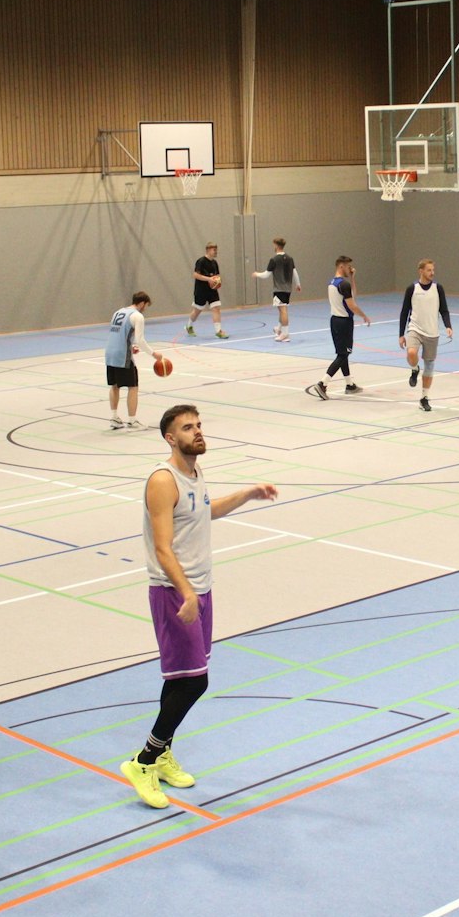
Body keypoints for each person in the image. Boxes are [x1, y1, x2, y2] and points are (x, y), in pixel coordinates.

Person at [119, 405, 278, 807]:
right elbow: (162, 546)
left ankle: (162, 752)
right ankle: (144, 760)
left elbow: (205, 512)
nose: (197, 432)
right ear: (170, 438)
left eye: (199, 425)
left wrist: (246, 493)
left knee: (179, 680)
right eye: (188, 428)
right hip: (175, 592)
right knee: (195, 681)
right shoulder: (163, 480)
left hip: (199, 590)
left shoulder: (193, 474)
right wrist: (186, 592)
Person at [307, 255, 371, 401]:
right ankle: (323, 383)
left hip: (334, 321)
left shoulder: (333, 283)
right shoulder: (344, 284)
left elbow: (352, 295)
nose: (351, 269)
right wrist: (364, 316)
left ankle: (349, 385)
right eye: (349, 267)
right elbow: (352, 304)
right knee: (343, 354)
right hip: (344, 322)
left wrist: (353, 278)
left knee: (344, 353)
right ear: (341, 266)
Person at [397, 258, 454, 413]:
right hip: (415, 328)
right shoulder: (412, 288)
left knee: (429, 366)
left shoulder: (438, 288)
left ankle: (424, 397)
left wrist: (448, 325)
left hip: (432, 332)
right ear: (421, 271)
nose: (432, 273)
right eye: (429, 270)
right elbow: (404, 312)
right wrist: (401, 334)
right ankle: (414, 369)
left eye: (433, 270)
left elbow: (444, 309)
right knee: (411, 352)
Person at [105, 291, 161, 430]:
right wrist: (154, 354)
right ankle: (132, 420)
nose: (145, 309)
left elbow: (119, 334)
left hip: (110, 353)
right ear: (142, 303)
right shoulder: (138, 316)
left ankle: (114, 418)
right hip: (122, 355)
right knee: (133, 387)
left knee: (115, 385)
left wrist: (131, 346)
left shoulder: (118, 312)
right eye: (146, 306)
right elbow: (140, 340)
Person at [252, 236, 301, 342]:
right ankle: (279, 329)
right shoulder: (289, 258)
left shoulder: (274, 260)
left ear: (276, 245)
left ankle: (285, 334)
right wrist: (298, 284)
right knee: (282, 309)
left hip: (279, 289)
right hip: (288, 289)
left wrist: (257, 274)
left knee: (283, 310)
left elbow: (266, 275)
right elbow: (294, 272)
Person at [185, 242, 227, 339]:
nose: (216, 251)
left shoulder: (215, 263)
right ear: (208, 250)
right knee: (197, 311)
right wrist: (209, 279)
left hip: (212, 290)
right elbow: (195, 275)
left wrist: (218, 281)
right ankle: (189, 325)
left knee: (216, 308)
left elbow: (217, 276)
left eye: (216, 249)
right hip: (201, 290)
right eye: (214, 250)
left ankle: (218, 331)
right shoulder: (201, 261)